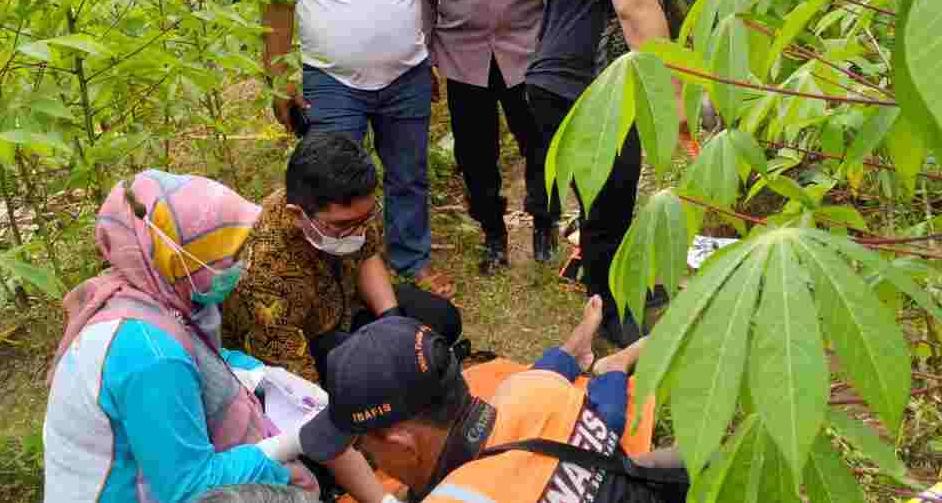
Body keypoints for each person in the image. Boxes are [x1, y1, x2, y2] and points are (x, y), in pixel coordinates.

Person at [42, 170, 389, 503]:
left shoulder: (145, 295)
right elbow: (189, 490)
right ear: (180, 257)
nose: (240, 267)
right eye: (228, 257)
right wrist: (290, 443)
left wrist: (263, 374)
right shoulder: (150, 356)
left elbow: (203, 355)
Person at [259, 0, 458, 296]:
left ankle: (411, 259)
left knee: (409, 174)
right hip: (331, 79)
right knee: (332, 182)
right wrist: (279, 80)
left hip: (405, 72)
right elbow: (276, 6)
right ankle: (336, 271)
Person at [525, 0, 685, 348]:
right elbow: (635, 4)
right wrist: (674, 96)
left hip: (554, 78)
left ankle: (618, 289)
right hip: (590, 87)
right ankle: (614, 315)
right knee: (608, 211)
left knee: (602, 207)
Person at [288, 297, 689, 502]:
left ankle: (590, 355)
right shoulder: (531, 389)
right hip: (629, 480)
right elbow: (542, 378)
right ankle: (594, 357)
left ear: (399, 443)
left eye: (365, 447)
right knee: (598, 410)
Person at [417, 0, 557, 274]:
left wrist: (556, 47)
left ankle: (543, 222)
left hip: (526, 49)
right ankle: (493, 233)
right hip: (463, 53)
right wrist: (425, 59)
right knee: (475, 155)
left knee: (539, 143)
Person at [219, 131, 462, 387]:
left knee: (441, 319)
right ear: (297, 214)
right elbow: (297, 382)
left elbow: (366, 255)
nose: (359, 231)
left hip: (347, 307)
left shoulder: (350, 208)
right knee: (382, 376)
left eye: (363, 220)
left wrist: (393, 322)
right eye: (345, 226)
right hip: (308, 343)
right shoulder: (262, 274)